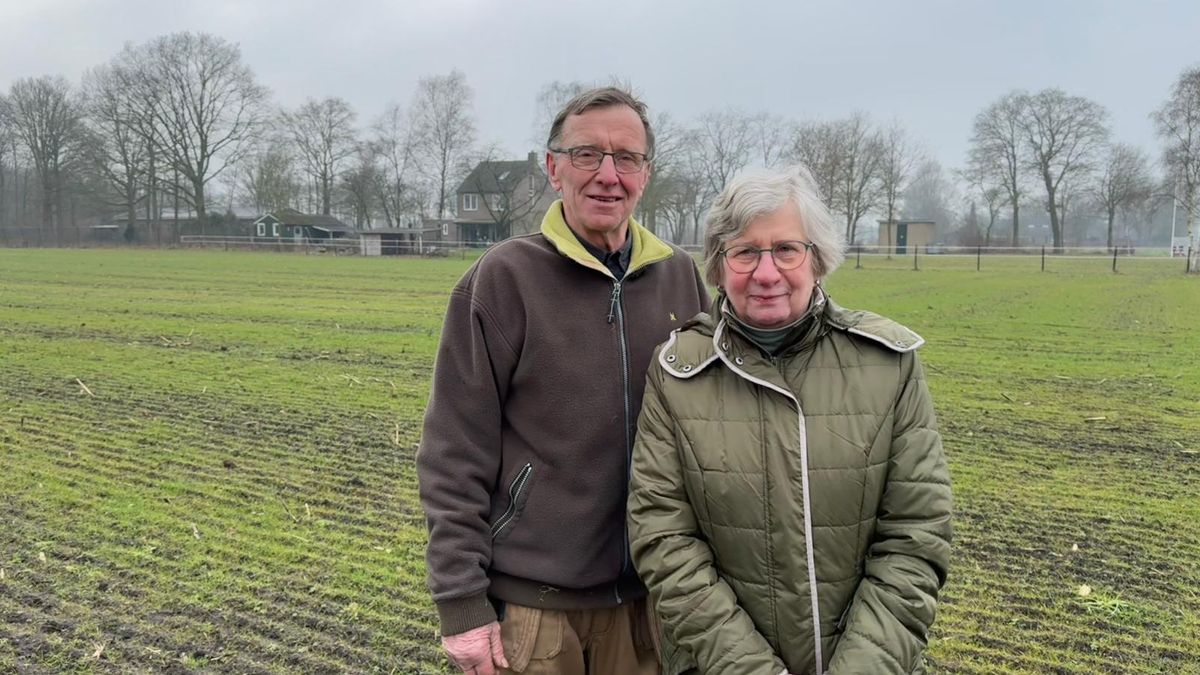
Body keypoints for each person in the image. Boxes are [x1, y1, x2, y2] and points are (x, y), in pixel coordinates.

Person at [417, 87, 710, 675]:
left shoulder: (681, 278)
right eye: (586, 155)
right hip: (535, 614)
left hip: (650, 606)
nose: (607, 175)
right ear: (553, 168)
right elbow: (454, 451)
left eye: (626, 158)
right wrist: (461, 603)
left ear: (645, 174)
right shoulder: (502, 280)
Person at [628, 167, 952, 674]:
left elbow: (915, 535)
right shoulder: (677, 372)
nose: (766, 272)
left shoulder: (889, 364)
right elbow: (663, 538)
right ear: (718, 265)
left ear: (818, 258)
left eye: (786, 249)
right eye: (745, 252)